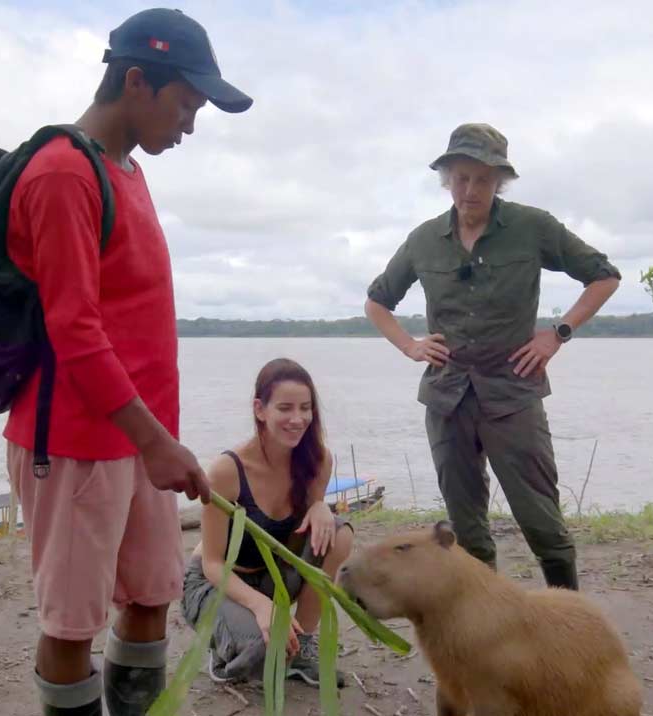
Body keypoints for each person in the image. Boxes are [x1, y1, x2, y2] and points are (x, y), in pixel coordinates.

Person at [2, 9, 252, 715]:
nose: (191, 125)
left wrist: (155, 444)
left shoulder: (128, 172)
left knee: (150, 597)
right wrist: (156, 442)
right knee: (72, 623)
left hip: (139, 441)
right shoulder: (61, 174)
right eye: (186, 104)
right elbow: (75, 331)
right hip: (74, 442)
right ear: (137, 81)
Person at [365, 123, 621, 591]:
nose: (470, 190)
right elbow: (377, 302)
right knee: (466, 532)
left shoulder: (532, 227)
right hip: (447, 399)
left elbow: (604, 276)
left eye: (483, 179)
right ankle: (484, 625)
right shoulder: (423, 240)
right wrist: (410, 345)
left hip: (513, 394)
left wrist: (558, 333)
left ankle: (568, 623)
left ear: (498, 181)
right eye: (461, 177)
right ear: (447, 179)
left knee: (542, 522)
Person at [182, 358, 354, 688]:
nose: (298, 419)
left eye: (306, 408)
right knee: (264, 654)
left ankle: (301, 647)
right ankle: (226, 652)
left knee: (339, 533)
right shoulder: (226, 471)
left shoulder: (318, 459)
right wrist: (261, 606)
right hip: (214, 585)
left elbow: (318, 518)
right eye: (285, 408)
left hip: (272, 576)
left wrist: (319, 503)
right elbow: (213, 564)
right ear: (260, 409)